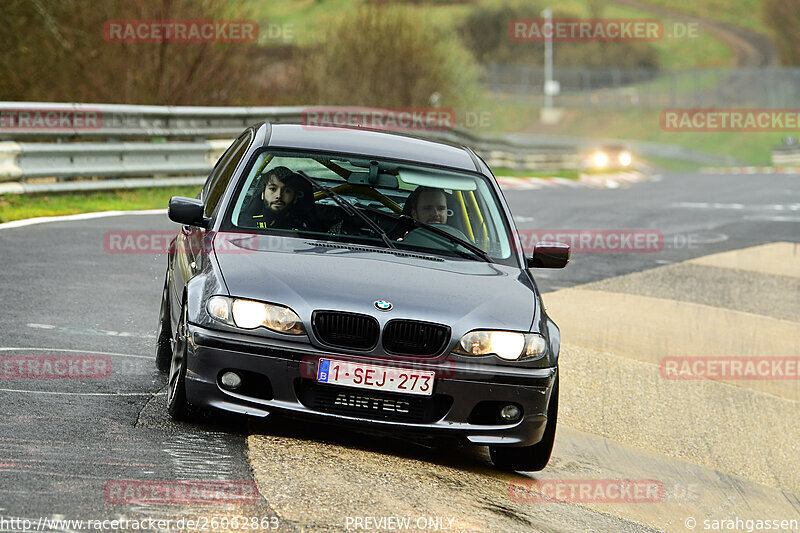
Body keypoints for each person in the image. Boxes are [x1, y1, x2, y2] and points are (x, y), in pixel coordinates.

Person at [248, 166, 313, 230]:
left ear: (295, 197)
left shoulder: (305, 228)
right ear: (263, 194)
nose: (279, 196)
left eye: (287, 191)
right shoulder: (245, 223)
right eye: (273, 189)